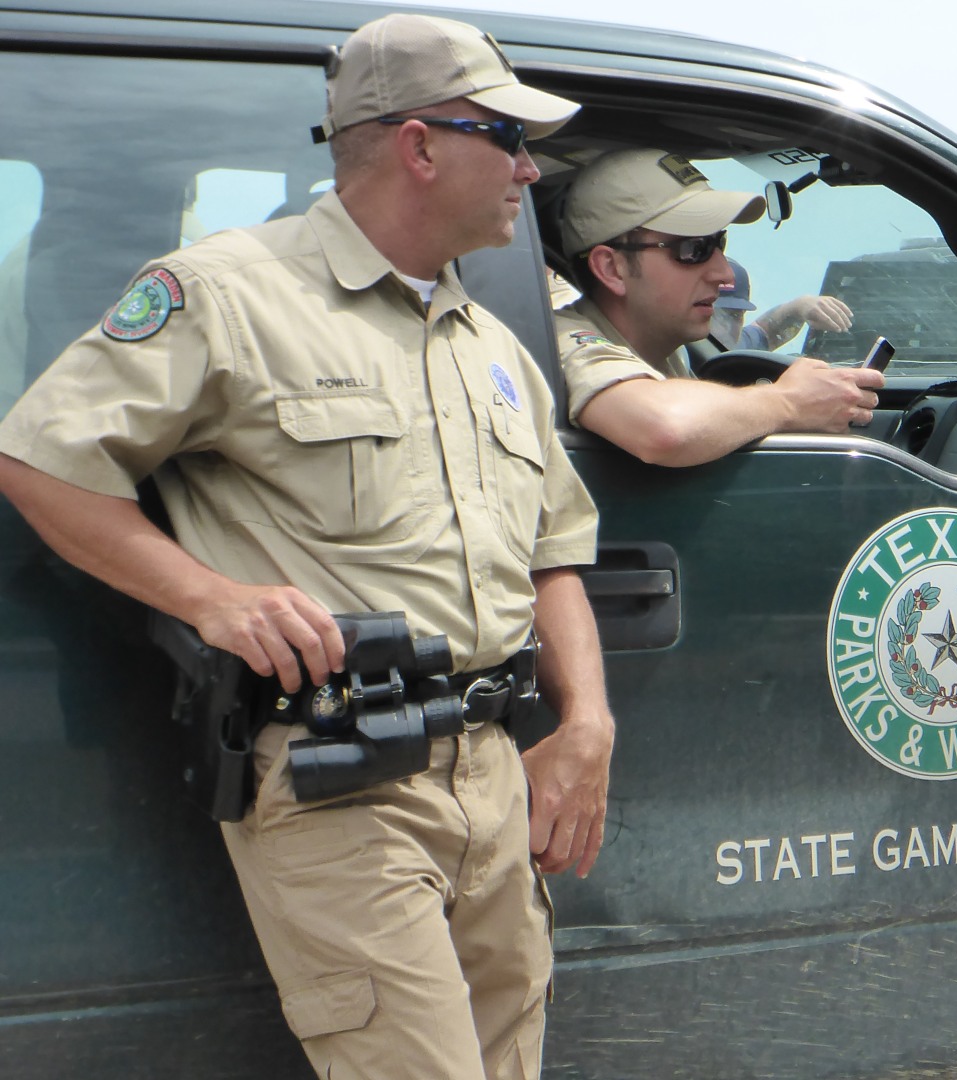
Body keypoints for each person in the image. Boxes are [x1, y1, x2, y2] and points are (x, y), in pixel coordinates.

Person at [0, 14, 616, 1079]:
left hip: (490, 770)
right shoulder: (229, 295)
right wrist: (209, 598)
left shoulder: (494, 346)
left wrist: (589, 724)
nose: (529, 166)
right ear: (420, 145)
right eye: (504, 137)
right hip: (344, 777)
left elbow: (554, 550)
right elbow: (40, 458)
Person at [553, 148, 883, 467]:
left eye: (718, 243)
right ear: (612, 269)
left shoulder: (661, 351)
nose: (724, 274)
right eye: (694, 248)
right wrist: (789, 402)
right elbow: (665, 428)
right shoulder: (565, 341)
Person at [711, 256, 856, 353]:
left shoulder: (735, 348)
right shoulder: (688, 357)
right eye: (717, 315)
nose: (728, 327)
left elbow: (766, 332)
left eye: (736, 316)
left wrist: (800, 306)